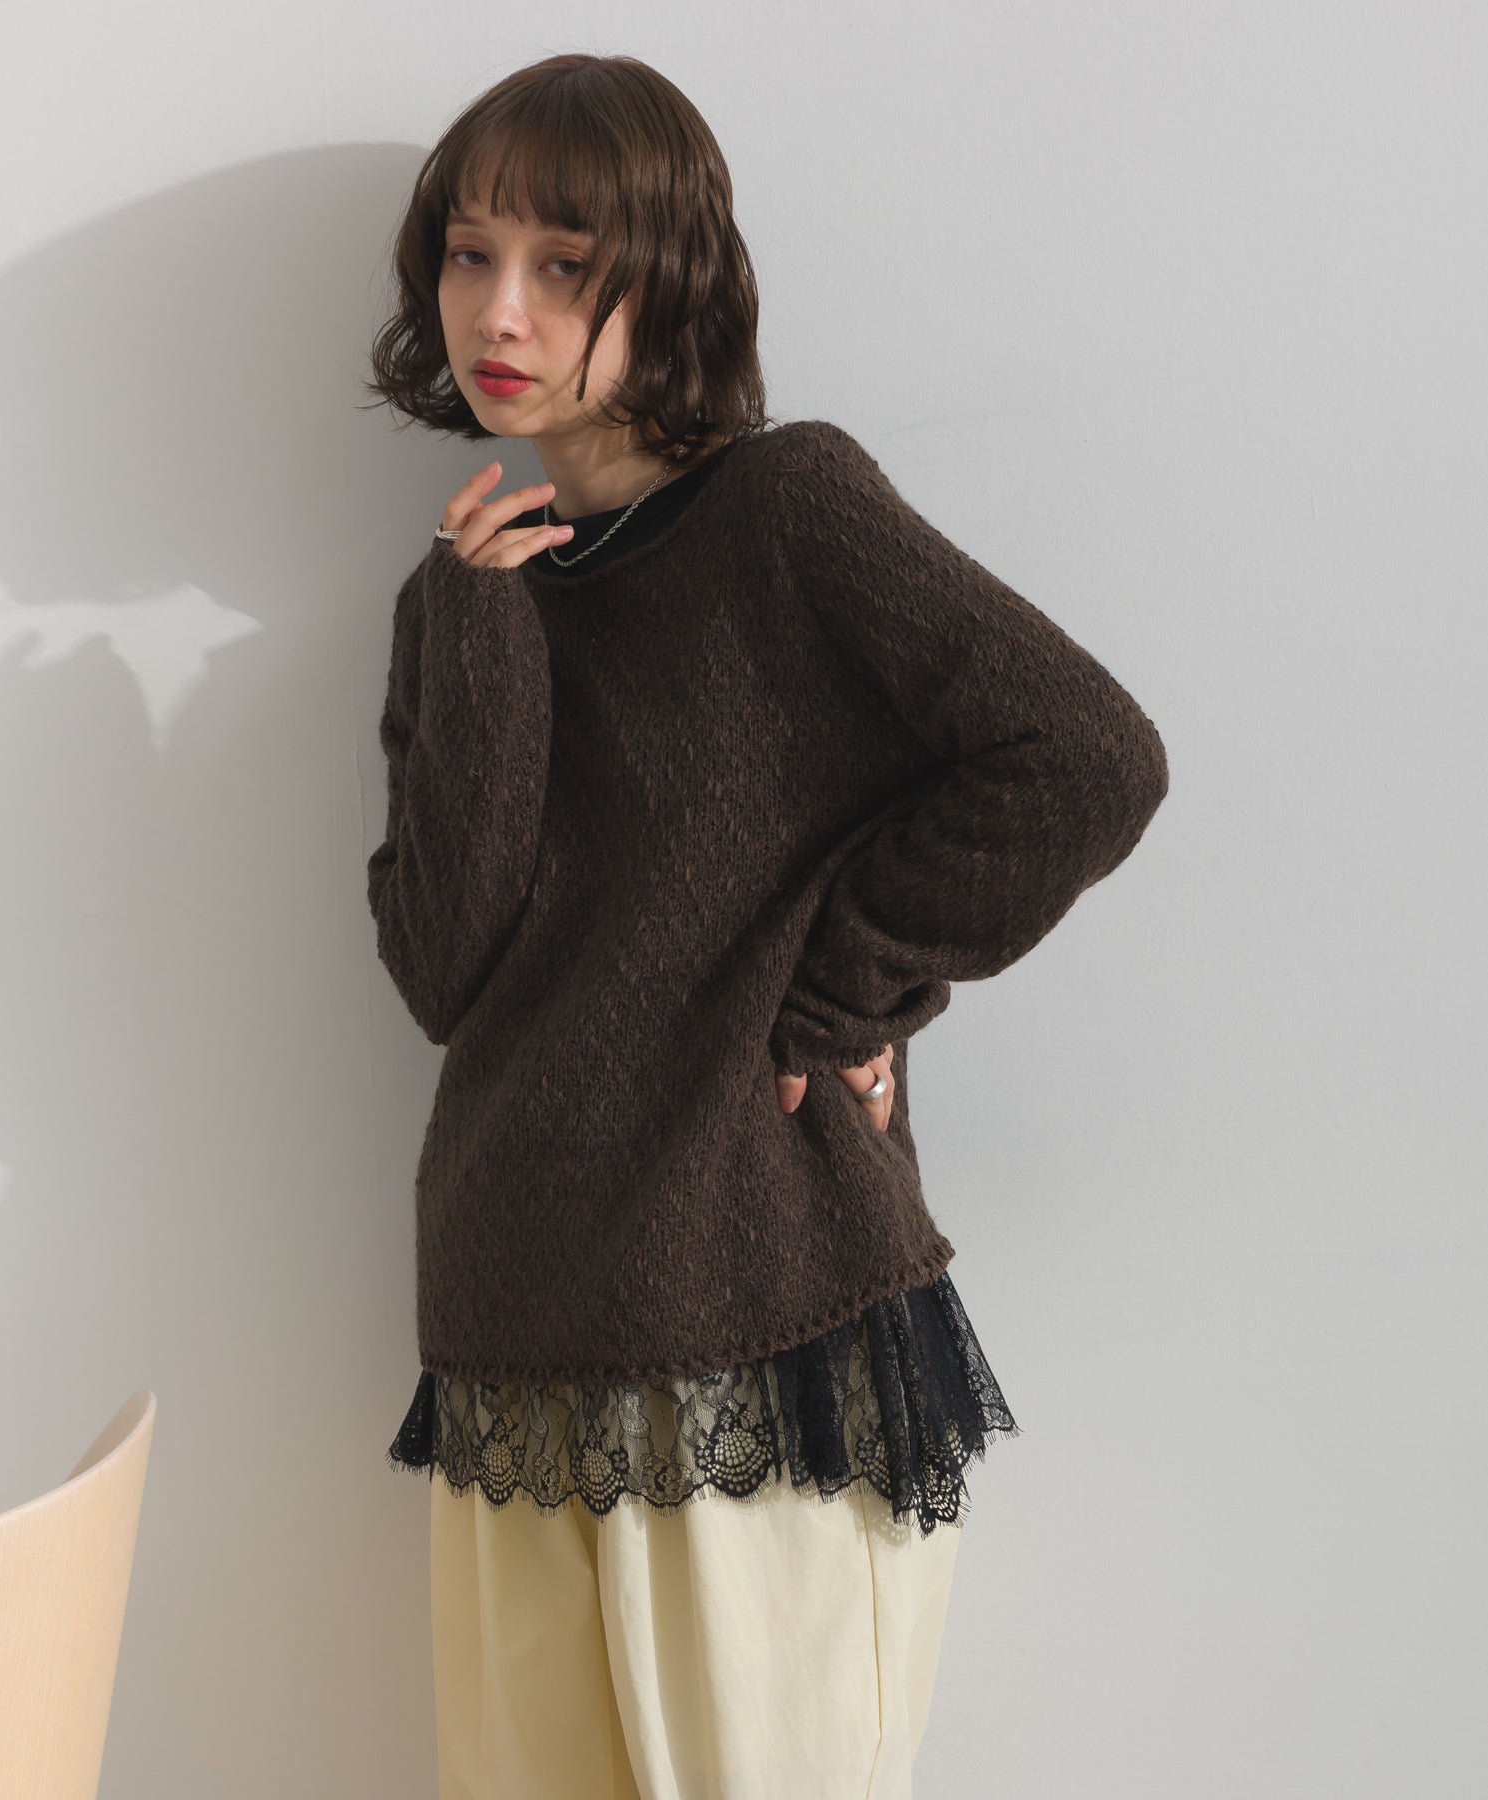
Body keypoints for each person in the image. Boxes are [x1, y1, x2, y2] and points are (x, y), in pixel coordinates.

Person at [361, 50, 1168, 1800]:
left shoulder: (787, 509)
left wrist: (840, 994)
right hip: (513, 1322)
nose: (499, 310)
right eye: (469, 253)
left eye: (566, 264)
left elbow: (1086, 758)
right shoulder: (462, 596)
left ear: (672, 276)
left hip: (763, 1303)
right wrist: (481, 630)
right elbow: (444, 969)